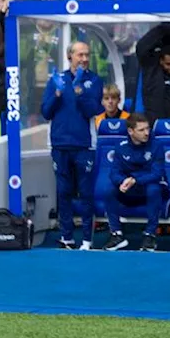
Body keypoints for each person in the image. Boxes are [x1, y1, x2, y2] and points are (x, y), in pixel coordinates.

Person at [42, 41, 104, 250]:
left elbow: (92, 110)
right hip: (60, 144)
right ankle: (66, 236)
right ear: (70, 56)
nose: (85, 59)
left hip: (84, 144)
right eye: (80, 55)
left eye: (87, 54)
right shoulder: (56, 79)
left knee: (86, 192)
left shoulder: (94, 80)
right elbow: (46, 112)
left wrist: (79, 91)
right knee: (63, 192)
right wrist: (57, 94)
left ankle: (87, 239)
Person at [99, 113, 164, 252]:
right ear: (130, 131)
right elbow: (114, 172)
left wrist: (135, 180)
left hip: (147, 189)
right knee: (109, 188)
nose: (146, 133)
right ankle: (116, 234)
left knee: (154, 188)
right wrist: (122, 181)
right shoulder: (121, 147)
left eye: (148, 128)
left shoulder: (157, 145)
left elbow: (157, 174)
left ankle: (150, 235)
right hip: (129, 190)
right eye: (141, 130)